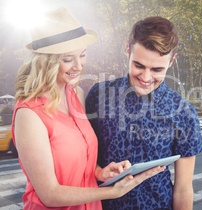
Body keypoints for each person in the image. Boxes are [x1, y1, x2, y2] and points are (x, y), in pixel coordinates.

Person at [12, 8, 165, 209]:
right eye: (67, 59)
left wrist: (100, 172)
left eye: (82, 55)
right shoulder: (29, 114)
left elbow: (80, 159)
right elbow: (49, 194)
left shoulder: (76, 95)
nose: (78, 66)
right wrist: (112, 191)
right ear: (45, 61)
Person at [85, 16, 202, 209]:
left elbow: (183, 188)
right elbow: (82, 156)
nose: (146, 77)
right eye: (139, 65)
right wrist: (99, 171)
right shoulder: (98, 96)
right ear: (127, 50)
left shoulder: (185, 113)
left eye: (157, 69)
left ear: (172, 61)